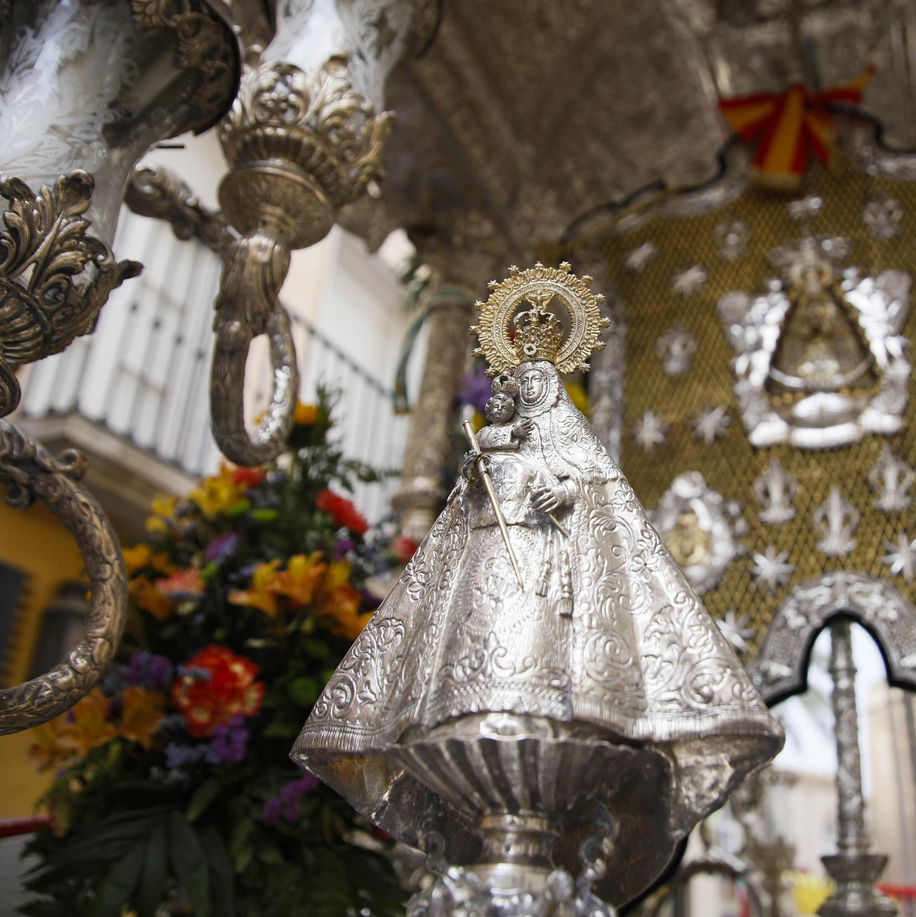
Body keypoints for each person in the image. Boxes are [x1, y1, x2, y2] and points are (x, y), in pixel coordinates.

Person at [293, 264, 782, 903]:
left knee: (536, 642)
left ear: (553, 384)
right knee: (474, 643)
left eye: (538, 381)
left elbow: (598, 484)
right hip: (486, 564)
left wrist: (566, 490)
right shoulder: (496, 440)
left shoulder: (569, 436)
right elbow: (464, 511)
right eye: (521, 381)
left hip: (546, 568)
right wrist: (477, 477)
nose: (528, 388)